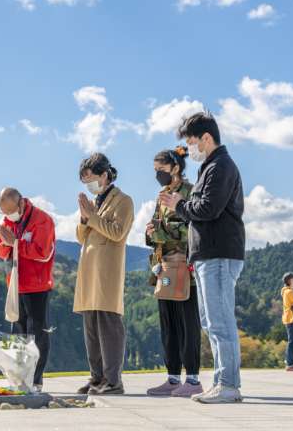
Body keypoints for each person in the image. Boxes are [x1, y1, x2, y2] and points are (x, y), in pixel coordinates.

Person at [160, 112, 245, 404]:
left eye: (191, 142)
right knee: (211, 322)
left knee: (221, 322)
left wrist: (180, 205)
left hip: (219, 253)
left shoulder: (221, 166)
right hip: (208, 254)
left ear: (206, 138)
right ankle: (222, 381)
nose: (189, 149)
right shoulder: (210, 167)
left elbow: (208, 208)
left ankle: (230, 384)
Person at [144, 146, 203, 398]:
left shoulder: (190, 193)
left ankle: (192, 378)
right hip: (164, 266)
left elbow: (189, 228)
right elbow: (158, 228)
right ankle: (172, 377)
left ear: (176, 168)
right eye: (156, 171)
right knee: (168, 324)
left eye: (162, 170)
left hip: (185, 268)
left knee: (187, 322)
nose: (158, 174)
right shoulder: (162, 195)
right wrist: (150, 232)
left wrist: (158, 230)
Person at [73, 153, 134, 395]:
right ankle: (96, 377)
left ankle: (113, 380)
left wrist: (93, 217)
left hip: (107, 270)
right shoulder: (95, 201)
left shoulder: (124, 201)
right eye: (84, 181)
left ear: (105, 174)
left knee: (108, 326)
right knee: (91, 326)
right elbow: (80, 237)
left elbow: (117, 232)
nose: (89, 185)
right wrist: (84, 218)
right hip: (89, 270)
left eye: (91, 178)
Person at [0, 187, 56, 391]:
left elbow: (43, 253)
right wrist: (5, 244)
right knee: (17, 333)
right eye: (4, 213)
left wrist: (16, 243)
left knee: (37, 334)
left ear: (20, 203)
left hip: (37, 286)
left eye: (10, 211)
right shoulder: (8, 221)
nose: (8, 216)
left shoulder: (41, 220)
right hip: (16, 285)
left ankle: (36, 380)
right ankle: (19, 377)